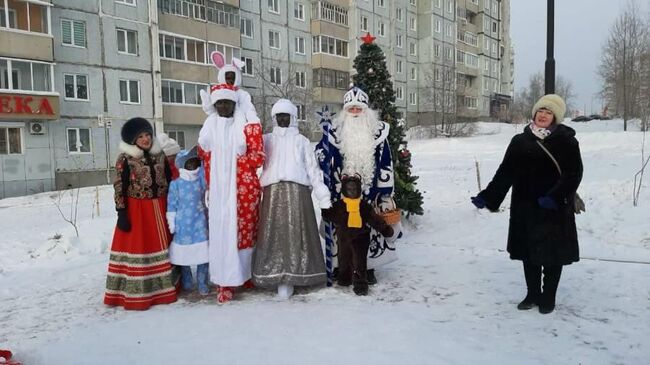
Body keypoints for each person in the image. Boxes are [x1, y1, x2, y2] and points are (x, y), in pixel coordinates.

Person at [471, 94, 583, 314]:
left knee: (552, 255)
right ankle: (532, 294)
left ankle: (548, 297)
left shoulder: (567, 141)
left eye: (548, 112)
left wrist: (555, 196)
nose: (543, 115)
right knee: (529, 253)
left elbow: (574, 174)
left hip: (554, 208)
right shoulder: (520, 141)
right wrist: (488, 196)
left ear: (556, 117)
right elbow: (506, 172)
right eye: (540, 110)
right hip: (525, 206)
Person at [315, 86, 400, 285]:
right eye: (351, 109)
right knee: (341, 231)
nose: (354, 113)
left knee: (368, 231)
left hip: (369, 192)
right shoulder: (334, 132)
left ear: (366, 110)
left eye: (358, 109)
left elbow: (386, 161)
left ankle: (368, 268)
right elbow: (320, 153)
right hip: (340, 192)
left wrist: (385, 192)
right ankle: (340, 266)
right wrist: (321, 155)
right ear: (345, 111)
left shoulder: (378, 133)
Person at [251, 99, 330, 299]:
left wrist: (323, 195)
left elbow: (312, 169)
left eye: (286, 116)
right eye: (279, 116)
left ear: (293, 117)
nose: (283, 119)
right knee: (274, 232)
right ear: (274, 117)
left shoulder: (301, 141)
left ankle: (298, 275)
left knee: (297, 232)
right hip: (273, 192)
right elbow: (256, 164)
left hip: (298, 192)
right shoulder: (266, 139)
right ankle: (275, 275)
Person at [198, 83, 264, 304]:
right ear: (215, 104)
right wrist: (209, 185)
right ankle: (223, 281)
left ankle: (244, 275)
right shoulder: (209, 126)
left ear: (234, 103)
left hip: (243, 189)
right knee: (221, 232)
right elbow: (203, 156)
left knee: (244, 231)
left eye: (228, 102)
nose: (224, 106)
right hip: (219, 190)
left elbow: (258, 157)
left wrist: (242, 161)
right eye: (219, 102)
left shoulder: (245, 125)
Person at [104, 117, 178, 310]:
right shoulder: (125, 159)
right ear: (132, 139)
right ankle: (138, 293)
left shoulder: (160, 155)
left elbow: (170, 181)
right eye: (140, 136)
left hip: (160, 208)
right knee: (140, 248)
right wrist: (121, 212)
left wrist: (175, 204)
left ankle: (166, 289)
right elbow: (119, 186)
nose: (145, 139)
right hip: (138, 211)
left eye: (147, 135)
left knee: (164, 247)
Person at [321, 175, 394, 295]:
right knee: (343, 259)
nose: (352, 192)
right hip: (343, 237)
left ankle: (361, 284)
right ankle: (344, 279)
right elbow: (329, 214)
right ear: (344, 190)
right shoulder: (339, 205)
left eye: (355, 189)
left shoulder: (364, 206)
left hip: (361, 237)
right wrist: (324, 206)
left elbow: (374, 220)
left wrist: (385, 229)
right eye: (349, 189)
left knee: (359, 262)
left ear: (359, 189)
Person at [166, 146, 210, 295]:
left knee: (204, 254)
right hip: (183, 224)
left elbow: (208, 186)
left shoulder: (201, 180)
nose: (193, 166)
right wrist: (171, 222)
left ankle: (203, 282)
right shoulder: (176, 184)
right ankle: (187, 281)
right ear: (182, 165)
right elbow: (172, 203)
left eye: (195, 162)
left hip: (200, 223)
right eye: (189, 163)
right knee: (183, 255)